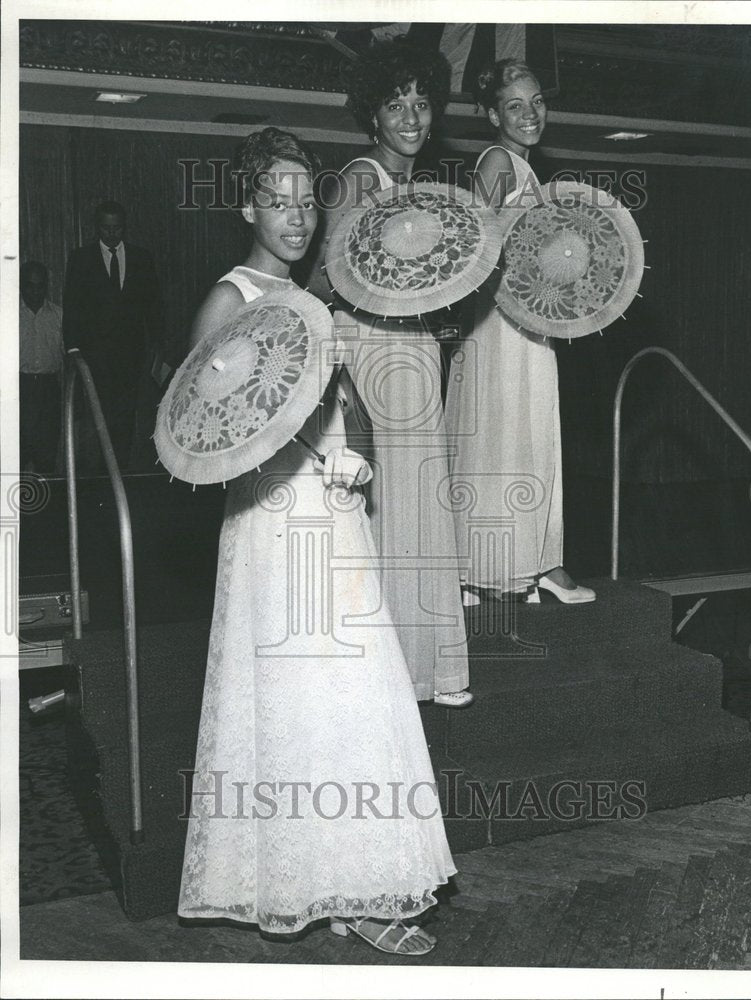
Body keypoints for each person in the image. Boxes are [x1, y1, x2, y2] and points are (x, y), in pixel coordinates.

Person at [177, 128, 455, 956]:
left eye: (306, 202)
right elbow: (204, 429)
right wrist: (309, 455)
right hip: (271, 522)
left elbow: (349, 404)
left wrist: (355, 450)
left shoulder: (319, 300)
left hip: (335, 511)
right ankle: (321, 884)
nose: (296, 218)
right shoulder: (228, 301)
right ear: (247, 206)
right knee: (300, 702)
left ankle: (360, 879)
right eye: (279, 201)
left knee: (358, 691)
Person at [315, 37, 473, 708]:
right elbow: (325, 278)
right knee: (389, 511)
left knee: (418, 507)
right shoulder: (358, 179)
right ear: (370, 115)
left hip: (413, 353)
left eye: (421, 102)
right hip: (373, 355)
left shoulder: (423, 187)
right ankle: (383, 674)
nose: (410, 117)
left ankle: (424, 668)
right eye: (394, 104)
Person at [445, 59, 596, 605]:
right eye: (515, 105)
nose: (530, 113)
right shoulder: (498, 162)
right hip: (498, 326)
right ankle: (485, 571)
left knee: (533, 437)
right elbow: (472, 247)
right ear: (492, 114)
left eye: (536, 101)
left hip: (530, 321)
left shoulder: (528, 170)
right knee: (499, 440)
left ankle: (536, 564)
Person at [62, 200, 163, 469]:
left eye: (117, 228)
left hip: (132, 356)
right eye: (106, 228)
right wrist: (72, 348)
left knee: (127, 416)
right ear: (97, 227)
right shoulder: (80, 259)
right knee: (98, 415)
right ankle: (100, 475)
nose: (111, 234)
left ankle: (121, 471)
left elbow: (153, 306)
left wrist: (157, 345)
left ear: (124, 227)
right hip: (94, 358)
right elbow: (72, 306)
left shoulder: (141, 258)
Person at [19, 261, 63, 473]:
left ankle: (50, 504)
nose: (35, 291)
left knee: (47, 453)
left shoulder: (59, 316)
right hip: (19, 389)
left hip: (48, 391)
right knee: (16, 451)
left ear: (46, 286)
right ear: (21, 285)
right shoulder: (9, 315)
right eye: (30, 285)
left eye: (40, 286)